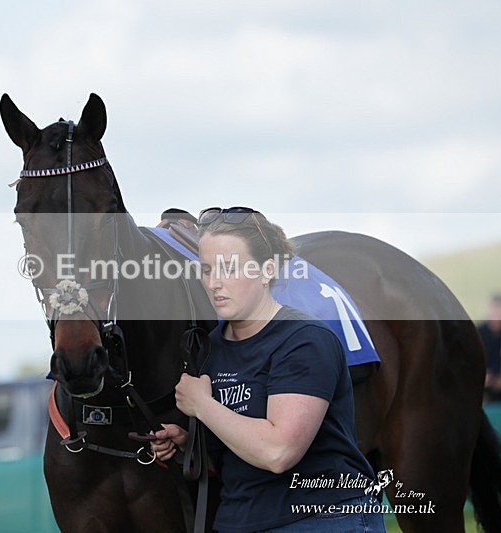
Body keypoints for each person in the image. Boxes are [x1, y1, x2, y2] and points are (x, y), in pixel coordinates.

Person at [152, 207, 384, 533]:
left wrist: (202, 406)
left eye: (229, 268)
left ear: (266, 270)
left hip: (320, 520)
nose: (214, 282)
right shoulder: (209, 349)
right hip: (239, 522)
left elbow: (278, 452)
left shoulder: (305, 340)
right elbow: (234, 452)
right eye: (206, 269)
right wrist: (188, 444)